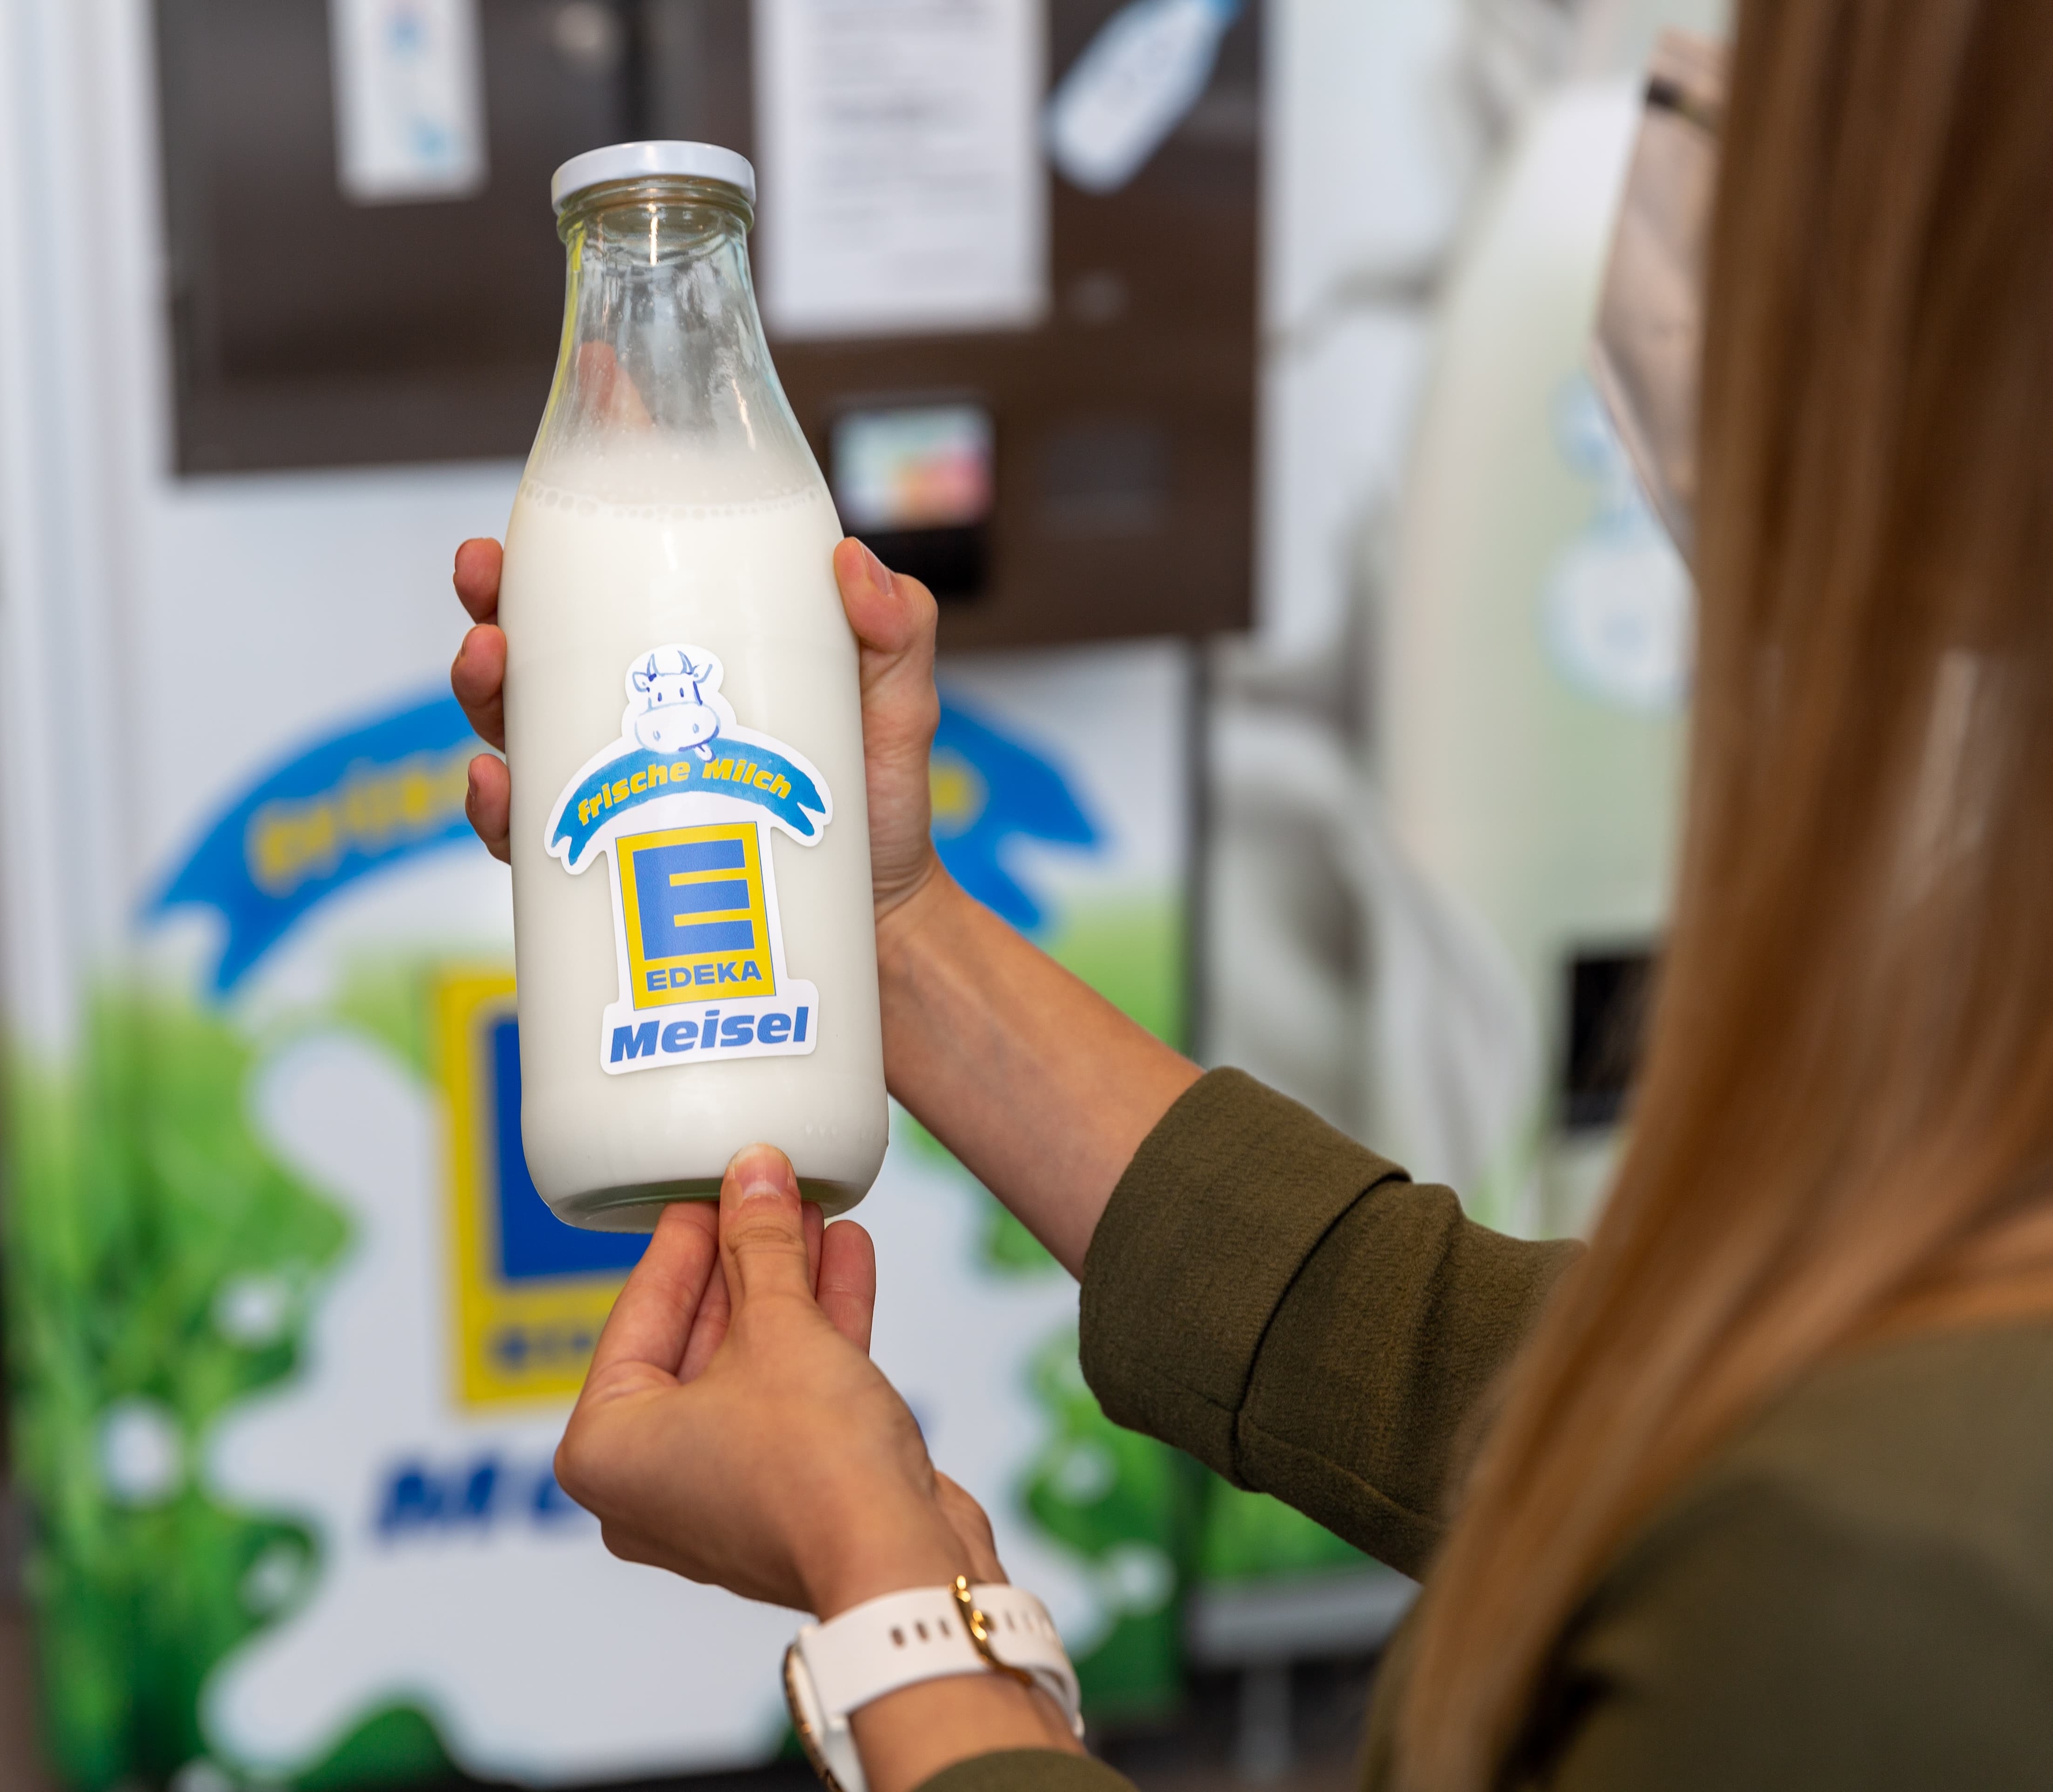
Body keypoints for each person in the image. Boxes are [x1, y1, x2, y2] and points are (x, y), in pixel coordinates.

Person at [446, 1, 2053, 1785]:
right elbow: (1529, 1384)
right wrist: (876, 928)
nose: (1669, 149)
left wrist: (887, 1590)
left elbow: (1799, 1524)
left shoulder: (1912, 1577)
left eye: (1782, 87)